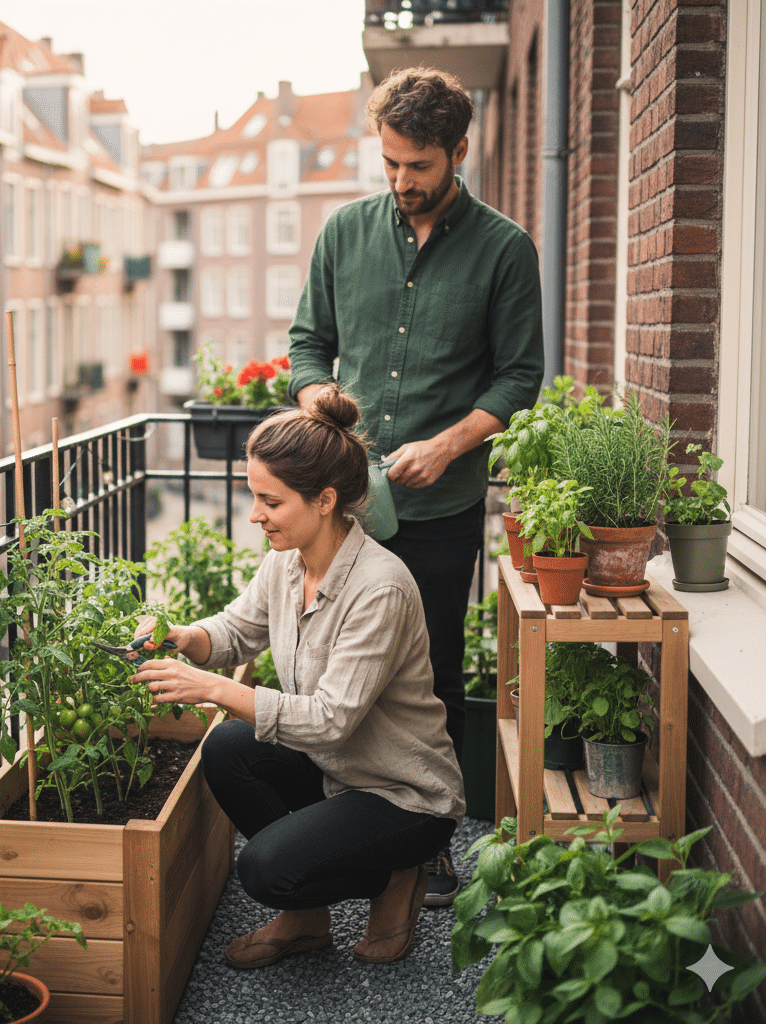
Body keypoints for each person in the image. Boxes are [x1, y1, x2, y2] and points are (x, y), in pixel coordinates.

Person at [287, 66, 544, 905]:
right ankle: (327, 826)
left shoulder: (505, 249)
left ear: (459, 152)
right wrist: (314, 394)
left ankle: (426, 842)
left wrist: (452, 442)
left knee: (428, 679)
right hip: (345, 504)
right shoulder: (342, 233)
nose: (401, 182)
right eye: (390, 163)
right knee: (323, 671)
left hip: (440, 505)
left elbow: (518, 378)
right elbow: (306, 343)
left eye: (419, 167)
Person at [130, 387, 464, 969]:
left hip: (402, 793)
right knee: (228, 747)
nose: (255, 515)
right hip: (339, 769)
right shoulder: (287, 560)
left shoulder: (378, 588)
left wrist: (213, 688)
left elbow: (332, 721)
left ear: (326, 500)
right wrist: (186, 637)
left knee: (262, 868)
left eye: (271, 502)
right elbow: (235, 629)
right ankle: (307, 920)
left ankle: (397, 875)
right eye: (254, 497)